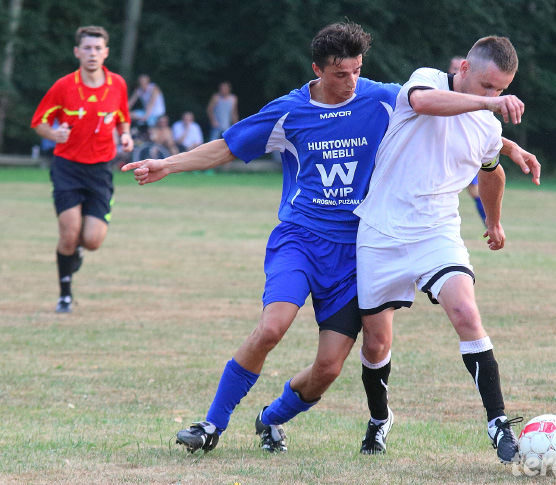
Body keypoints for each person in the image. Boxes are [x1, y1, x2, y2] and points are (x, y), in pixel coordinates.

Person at [122, 21, 400, 454]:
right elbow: (228, 146)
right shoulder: (290, 111)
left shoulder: (381, 99)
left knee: (327, 368)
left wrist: (501, 144)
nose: (351, 82)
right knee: (271, 328)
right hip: (300, 239)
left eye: (357, 71)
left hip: (356, 253)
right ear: (317, 69)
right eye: (341, 74)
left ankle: (271, 418)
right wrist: (168, 164)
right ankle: (211, 425)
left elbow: (435, 108)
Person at [353, 36, 540, 463]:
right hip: (381, 230)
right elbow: (424, 104)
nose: (494, 96)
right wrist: (489, 106)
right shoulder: (427, 81)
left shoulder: (488, 125)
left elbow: (491, 172)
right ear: (463, 69)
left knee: (466, 312)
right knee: (376, 343)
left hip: (436, 231)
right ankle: (380, 420)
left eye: (501, 89)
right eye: (487, 86)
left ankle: (498, 425)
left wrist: (493, 221)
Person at [30, 25, 134, 313]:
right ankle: (65, 294)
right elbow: (38, 122)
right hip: (67, 168)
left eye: (98, 48)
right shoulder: (63, 86)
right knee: (69, 231)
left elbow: (122, 117)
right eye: (87, 48)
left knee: (92, 240)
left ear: (106, 53)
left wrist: (125, 134)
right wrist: (54, 135)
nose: (92, 53)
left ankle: (76, 251)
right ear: (77, 52)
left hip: (100, 169)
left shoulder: (118, 85)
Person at [450, 55, 487, 225]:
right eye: (453, 67)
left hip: (461, 152)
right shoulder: (440, 91)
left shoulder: (471, 96)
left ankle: (488, 223)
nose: (456, 70)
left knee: (475, 191)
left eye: (460, 67)